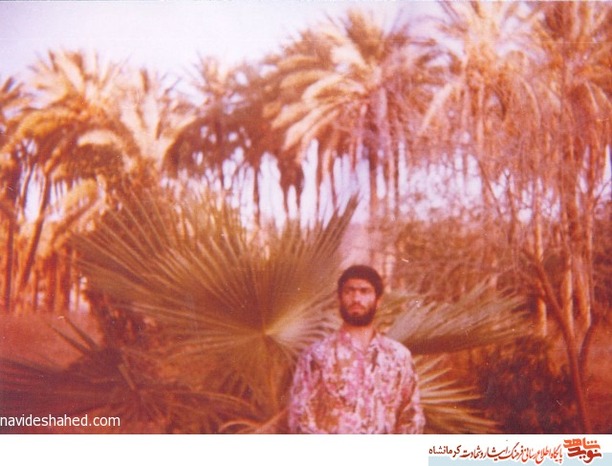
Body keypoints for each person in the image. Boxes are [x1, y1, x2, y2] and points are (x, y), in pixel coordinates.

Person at [288, 265, 425, 434]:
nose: (356, 298)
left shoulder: (398, 356)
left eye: (364, 291)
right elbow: (299, 417)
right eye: (349, 291)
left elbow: (411, 416)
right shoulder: (316, 356)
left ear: (378, 300)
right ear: (339, 298)